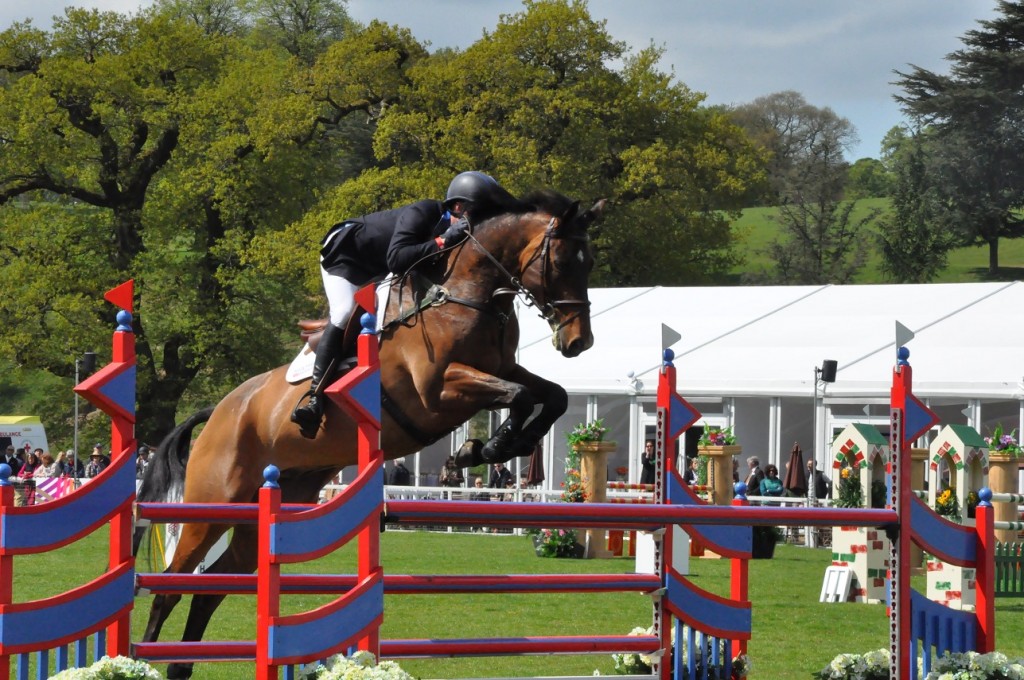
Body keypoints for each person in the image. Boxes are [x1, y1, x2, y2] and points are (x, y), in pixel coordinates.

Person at [290, 171, 516, 437]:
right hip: (347, 256)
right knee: (343, 312)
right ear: (457, 207)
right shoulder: (422, 212)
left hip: (382, 264)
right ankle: (314, 398)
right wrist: (443, 240)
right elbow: (398, 258)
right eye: (480, 215)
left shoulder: (462, 233)